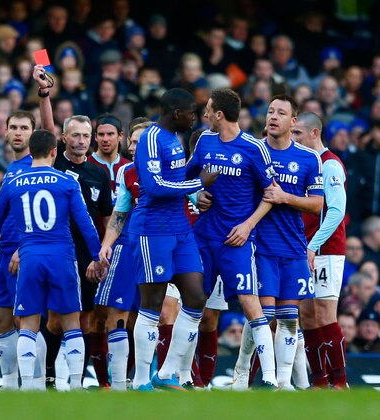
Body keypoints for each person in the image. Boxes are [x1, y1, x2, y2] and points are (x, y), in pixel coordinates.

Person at [0, 129, 106, 391]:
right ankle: (76, 385)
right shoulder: (67, 182)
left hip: (29, 256)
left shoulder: (13, 182)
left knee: (29, 325)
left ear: (30, 152)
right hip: (62, 257)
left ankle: (31, 386)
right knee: (71, 324)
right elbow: (86, 223)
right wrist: (97, 255)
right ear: (54, 152)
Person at [186, 88, 278, 388]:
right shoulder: (204, 141)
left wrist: (248, 226)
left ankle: (270, 378)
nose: (205, 115)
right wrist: (196, 193)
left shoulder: (254, 148)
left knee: (251, 303)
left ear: (220, 114)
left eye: (208, 110)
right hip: (203, 237)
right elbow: (187, 179)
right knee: (193, 304)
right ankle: (183, 375)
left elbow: (271, 194)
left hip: (237, 241)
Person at [129, 88, 219, 391]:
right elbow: (153, 187)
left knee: (195, 298)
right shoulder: (151, 139)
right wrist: (198, 182)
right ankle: (141, 379)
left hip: (180, 229)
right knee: (152, 302)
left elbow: (176, 183)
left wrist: (196, 193)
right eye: (191, 112)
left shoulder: (176, 140)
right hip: (152, 229)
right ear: (175, 112)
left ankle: (166, 372)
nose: (195, 117)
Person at [33, 64, 113, 388]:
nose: (80, 141)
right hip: (58, 250)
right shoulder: (57, 161)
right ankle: (50, 373)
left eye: (85, 135)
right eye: (75, 135)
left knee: (87, 319)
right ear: (63, 138)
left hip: (89, 254)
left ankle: (77, 379)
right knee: (54, 320)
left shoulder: (98, 174)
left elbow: (106, 218)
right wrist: (44, 94)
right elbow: (46, 126)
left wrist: (102, 254)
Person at [241, 95, 324, 390]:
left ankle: (284, 382)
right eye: (270, 111)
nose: (273, 116)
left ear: (293, 122)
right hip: (259, 246)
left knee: (289, 318)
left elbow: (317, 205)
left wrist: (284, 197)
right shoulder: (253, 151)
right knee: (263, 317)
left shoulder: (308, 158)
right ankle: (243, 376)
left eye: (281, 113)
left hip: (293, 248)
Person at [0, 109, 44, 391]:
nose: (18, 133)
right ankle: (8, 385)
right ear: (5, 132)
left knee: (25, 319)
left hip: (25, 253)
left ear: (33, 133)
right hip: (5, 253)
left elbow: (43, 215)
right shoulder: (12, 167)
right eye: (13, 128)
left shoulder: (35, 167)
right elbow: (6, 214)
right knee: (0, 318)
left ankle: (40, 382)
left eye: (24, 128)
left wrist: (23, 247)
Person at [293, 112, 349, 389]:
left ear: (314, 133)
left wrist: (313, 246)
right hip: (306, 249)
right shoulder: (306, 165)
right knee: (307, 315)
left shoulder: (330, 166)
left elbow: (337, 210)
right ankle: (319, 381)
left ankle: (340, 381)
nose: (294, 140)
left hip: (326, 249)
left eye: (298, 134)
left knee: (326, 314)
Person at [96, 121, 151, 390]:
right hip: (128, 246)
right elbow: (119, 213)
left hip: (161, 249)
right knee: (116, 315)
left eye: (137, 142)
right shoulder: (128, 171)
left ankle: (151, 379)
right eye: (131, 142)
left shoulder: (175, 170)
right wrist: (108, 243)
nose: (131, 147)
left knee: (161, 316)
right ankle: (118, 385)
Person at [87, 113, 132, 388]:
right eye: (100, 134)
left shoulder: (129, 168)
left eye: (110, 134)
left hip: (126, 250)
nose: (105, 139)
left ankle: (125, 378)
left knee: (128, 317)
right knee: (97, 315)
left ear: (120, 137)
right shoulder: (87, 166)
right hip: (93, 251)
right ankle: (104, 382)